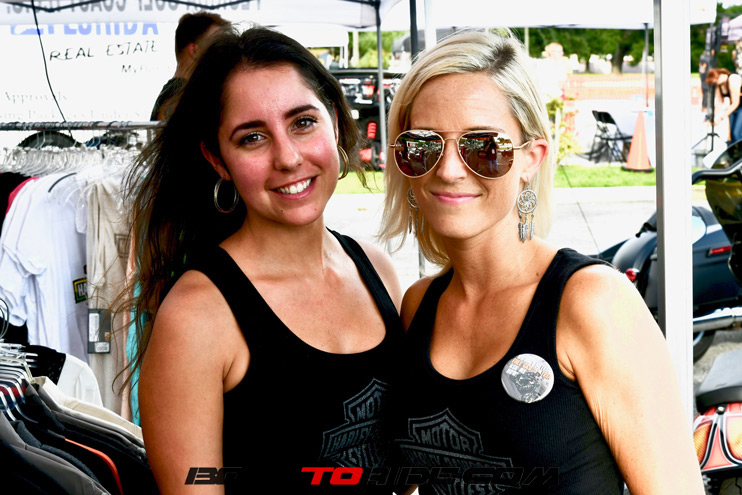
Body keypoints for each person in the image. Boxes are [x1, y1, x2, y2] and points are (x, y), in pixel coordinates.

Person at [380, 30, 704, 494]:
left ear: (531, 158)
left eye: (483, 147)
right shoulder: (418, 306)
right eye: (424, 145)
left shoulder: (592, 302)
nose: (448, 170)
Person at [125, 27, 403, 493]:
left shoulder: (378, 271)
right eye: (252, 137)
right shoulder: (197, 315)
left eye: (303, 122)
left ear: (335, 122)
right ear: (218, 160)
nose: (288, 158)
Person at [149, 11, 230, 121]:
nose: (224, 50)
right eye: (216, 43)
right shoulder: (179, 97)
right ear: (194, 50)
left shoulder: (182, 93)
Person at [706, 67, 742, 145]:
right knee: (730, 136)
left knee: (736, 133)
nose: (715, 83)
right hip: (734, 108)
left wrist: (721, 117)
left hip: (739, 107)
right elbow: (719, 102)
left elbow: (736, 102)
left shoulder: (732, 79)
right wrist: (713, 117)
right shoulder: (719, 85)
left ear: (719, 75)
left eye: (715, 81)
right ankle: (733, 151)